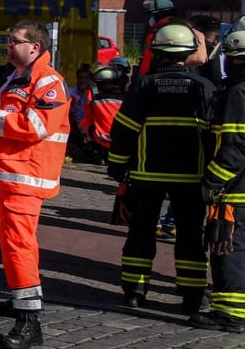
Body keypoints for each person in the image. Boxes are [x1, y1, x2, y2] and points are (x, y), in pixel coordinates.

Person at [105, 22, 215, 317]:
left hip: (146, 175)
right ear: (189, 52)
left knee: (140, 233)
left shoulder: (142, 86)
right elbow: (213, 135)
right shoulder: (204, 87)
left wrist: (117, 166)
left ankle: (135, 292)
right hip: (190, 177)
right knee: (191, 236)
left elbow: (125, 130)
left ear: (156, 52)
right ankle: (192, 296)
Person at [0, 20, 70, 349]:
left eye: (14, 41)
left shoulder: (48, 81)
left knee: (19, 246)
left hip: (25, 178)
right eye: (8, 39)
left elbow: (36, 126)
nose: (7, 45)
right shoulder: (17, 76)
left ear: (35, 47)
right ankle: (21, 302)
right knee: (12, 244)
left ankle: (29, 321)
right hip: (9, 176)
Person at [200, 29, 245, 332]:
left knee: (229, 247)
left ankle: (229, 312)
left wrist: (213, 181)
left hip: (236, 190)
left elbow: (236, 144)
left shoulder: (237, 92)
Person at [81, 60, 128, 161]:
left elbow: (87, 118)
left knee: (82, 124)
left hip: (100, 137)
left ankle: (94, 151)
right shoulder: (124, 95)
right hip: (120, 139)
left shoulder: (92, 94)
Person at [135, 0, 177, 77]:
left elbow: (148, 58)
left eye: (153, 14)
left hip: (155, 76)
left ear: (159, 14)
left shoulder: (156, 31)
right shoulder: (182, 28)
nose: (151, 17)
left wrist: (142, 80)